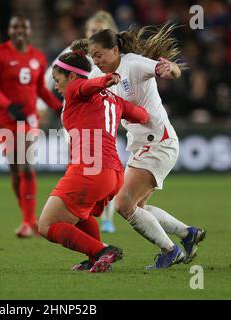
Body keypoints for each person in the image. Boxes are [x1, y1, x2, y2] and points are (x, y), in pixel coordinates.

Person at [88, 24, 206, 269]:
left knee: (123, 204)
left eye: (99, 54)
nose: (96, 60)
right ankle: (187, 234)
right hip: (146, 145)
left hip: (158, 143)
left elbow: (172, 71)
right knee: (138, 207)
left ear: (115, 50)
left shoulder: (133, 63)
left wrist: (170, 69)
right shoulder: (100, 76)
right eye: (93, 55)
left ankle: (170, 251)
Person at [38, 41, 149, 272]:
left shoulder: (77, 89)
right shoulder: (113, 99)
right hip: (114, 174)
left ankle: (101, 250)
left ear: (71, 77)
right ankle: (95, 258)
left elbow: (84, 88)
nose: (57, 87)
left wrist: (103, 81)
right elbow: (141, 115)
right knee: (80, 214)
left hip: (90, 170)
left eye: (57, 80)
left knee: (47, 225)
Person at [41, 10, 120, 233]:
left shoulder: (117, 54)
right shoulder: (75, 52)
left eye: (99, 31)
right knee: (80, 162)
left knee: (105, 164)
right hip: (75, 116)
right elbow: (50, 75)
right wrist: (40, 106)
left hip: (101, 117)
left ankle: (106, 218)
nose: (94, 34)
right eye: (91, 31)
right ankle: (81, 208)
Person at [0, 14, 62, 238]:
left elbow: (41, 90)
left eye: (23, 27)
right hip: (4, 118)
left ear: (29, 31)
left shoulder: (37, 56)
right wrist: (8, 105)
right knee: (16, 171)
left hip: (28, 119)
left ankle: (29, 222)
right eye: (15, 26)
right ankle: (28, 218)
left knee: (26, 165)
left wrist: (57, 107)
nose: (19, 30)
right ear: (9, 30)